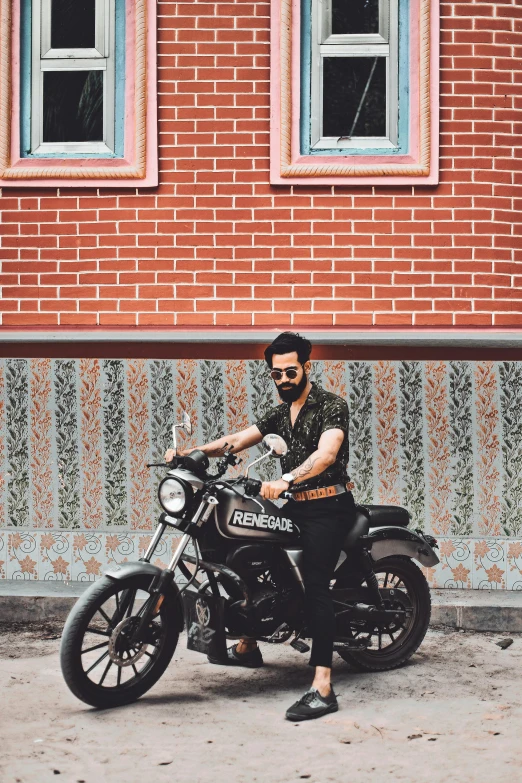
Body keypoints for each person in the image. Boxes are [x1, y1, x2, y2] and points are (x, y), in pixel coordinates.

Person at [165, 331, 356, 721]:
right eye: (276, 375)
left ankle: (322, 686)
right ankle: (249, 643)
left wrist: (286, 480)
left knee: (317, 583)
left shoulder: (331, 406)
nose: (284, 380)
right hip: (294, 506)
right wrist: (191, 453)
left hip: (329, 507)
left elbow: (326, 453)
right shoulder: (278, 414)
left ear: (306, 367)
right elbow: (237, 440)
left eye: (290, 372)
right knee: (246, 553)